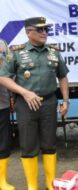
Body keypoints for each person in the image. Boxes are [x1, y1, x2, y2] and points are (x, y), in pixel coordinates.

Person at [0, 17, 69, 190]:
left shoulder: (54, 52)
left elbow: (62, 76)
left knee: (49, 143)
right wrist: (24, 92)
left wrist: (66, 100)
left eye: (46, 29)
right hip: (26, 104)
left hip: (49, 103)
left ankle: (50, 183)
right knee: (28, 145)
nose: (44, 32)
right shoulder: (16, 52)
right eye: (39, 30)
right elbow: (3, 77)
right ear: (28, 32)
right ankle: (32, 185)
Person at [0, 39, 15, 190]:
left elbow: (10, 71)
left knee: (3, 144)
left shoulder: (3, 44)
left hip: (1, 102)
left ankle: (1, 180)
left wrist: (12, 97)